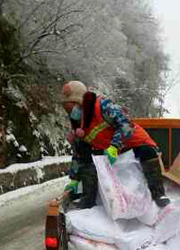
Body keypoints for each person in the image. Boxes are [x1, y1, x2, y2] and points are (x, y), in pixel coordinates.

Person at [61, 80, 169, 208]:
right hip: (111, 152)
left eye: (70, 107)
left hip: (133, 144)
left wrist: (114, 146)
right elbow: (79, 153)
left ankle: (158, 194)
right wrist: (74, 178)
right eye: (66, 108)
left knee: (147, 152)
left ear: (80, 102)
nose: (69, 112)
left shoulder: (103, 106)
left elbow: (126, 124)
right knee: (86, 155)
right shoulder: (78, 124)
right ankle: (88, 200)